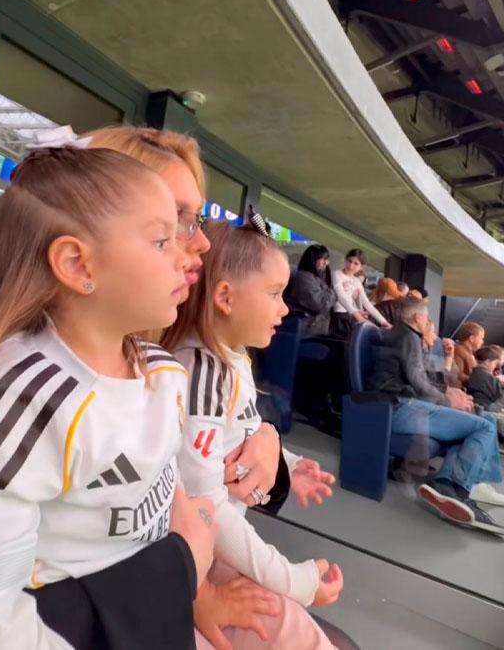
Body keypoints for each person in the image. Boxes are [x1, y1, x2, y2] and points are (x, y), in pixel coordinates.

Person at [0, 134, 218, 650]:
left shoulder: (163, 373)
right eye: (163, 239)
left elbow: (187, 497)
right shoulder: (29, 396)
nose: (192, 250)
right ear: (77, 264)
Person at [86, 125, 296, 648]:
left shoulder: (158, 363)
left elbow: (215, 471)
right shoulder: (31, 389)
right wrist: (191, 587)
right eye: (177, 223)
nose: (202, 242)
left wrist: (270, 440)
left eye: (196, 220)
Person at [170, 218, 343, 650]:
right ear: (225, 297)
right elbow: (208, 507)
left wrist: (287, 465)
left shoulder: (231, 359)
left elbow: (241, 434)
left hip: (211, 549)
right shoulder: (201, 373)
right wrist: (292, 580)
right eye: (274, 294)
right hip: (196, 556)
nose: (285, 309)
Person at [368, 298, 504, 534]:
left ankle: (458, 483)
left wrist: (447, 391)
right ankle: (458, 487)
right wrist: (446, 399)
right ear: (418, 317)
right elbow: (417, 380)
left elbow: (420, 376)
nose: (428, 320)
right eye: (427, 316)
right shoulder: (408, 337)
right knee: (484, 426)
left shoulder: (403, 335)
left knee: (487, 421)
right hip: (399, 407)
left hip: (403, 403)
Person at [331, 249, 390, 337]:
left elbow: (367, 303)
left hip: (350, 315)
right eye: (349, 261)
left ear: (361, 267)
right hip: (339, 315)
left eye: (356, 263)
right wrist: (356, 314)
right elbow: (341, 296)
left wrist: (383, 322)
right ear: (346, 259)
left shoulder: (356, 281)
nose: (351, 266)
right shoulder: (337, 274)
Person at [284, 245, 336, 338]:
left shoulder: (319, 276)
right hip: (306, 331)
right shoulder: (304, 278)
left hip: (316, 329)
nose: (326, 263)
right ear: (312, 260)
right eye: (323, 259)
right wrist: (334, 291)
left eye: (327, 259)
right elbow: (321, 304)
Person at [453, 321, 485, 387]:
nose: (482, 342)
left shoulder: (469, 352)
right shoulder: (458, 351)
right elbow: (458, 374)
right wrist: (479, 380)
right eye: (481, 338)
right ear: (472, 338)